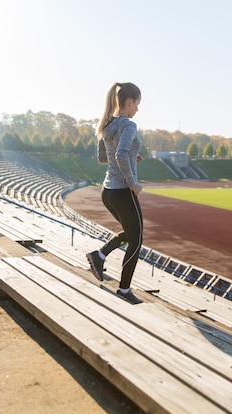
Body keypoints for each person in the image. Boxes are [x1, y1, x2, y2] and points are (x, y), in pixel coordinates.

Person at [86, 82, 144, 305]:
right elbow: (120, 154)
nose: (137, 109)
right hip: (122, 190)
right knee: (136, 241)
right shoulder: (129, 125)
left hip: (107, 191)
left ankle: (98, 256)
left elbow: (104, 158)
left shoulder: (106, 124)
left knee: (131, 234)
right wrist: (133, 183)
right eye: (137, 104)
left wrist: (132, 156)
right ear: (130, 102)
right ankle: (124, 290)